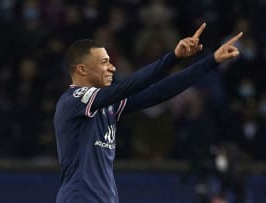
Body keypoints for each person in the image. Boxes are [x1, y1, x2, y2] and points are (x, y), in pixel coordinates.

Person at [54, 22, 243, 203]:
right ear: (82, 69)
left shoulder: (106, 105)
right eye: (104, 62)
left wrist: (211, 61)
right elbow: (132, 84)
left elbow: (158, 93)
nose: (112, 67)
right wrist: (172, 57)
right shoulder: (74, 99)